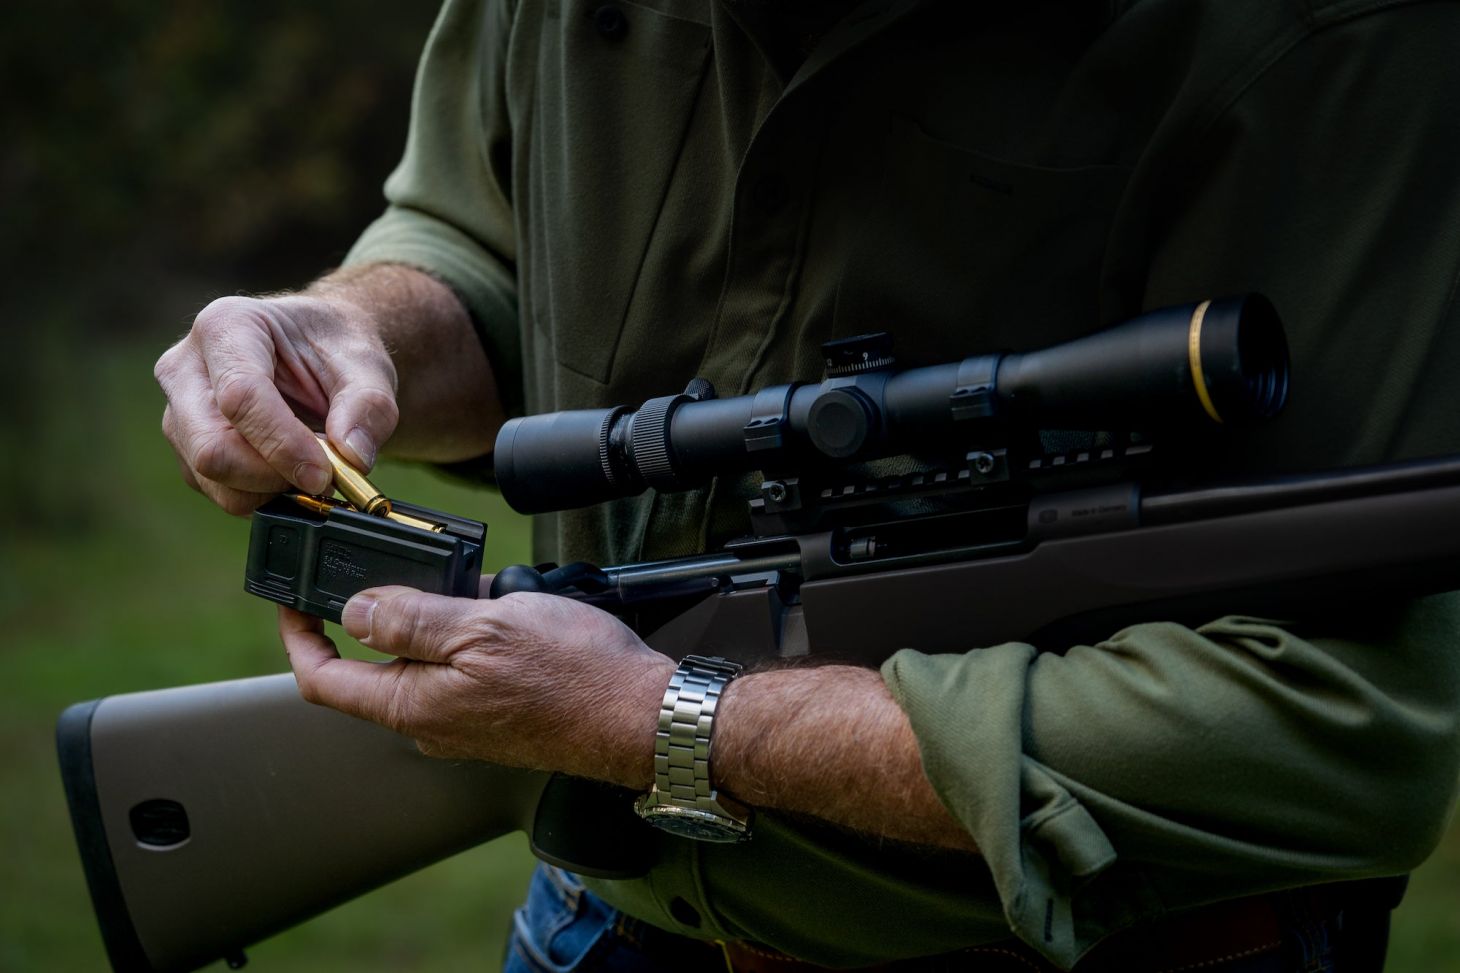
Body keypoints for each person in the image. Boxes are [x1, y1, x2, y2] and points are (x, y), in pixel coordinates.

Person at [154, 1, 1460, 970]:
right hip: (598, 928)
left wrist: (656, 714)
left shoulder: (1327, 39)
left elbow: (1345, 729)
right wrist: (355, 332)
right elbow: (481, 232)